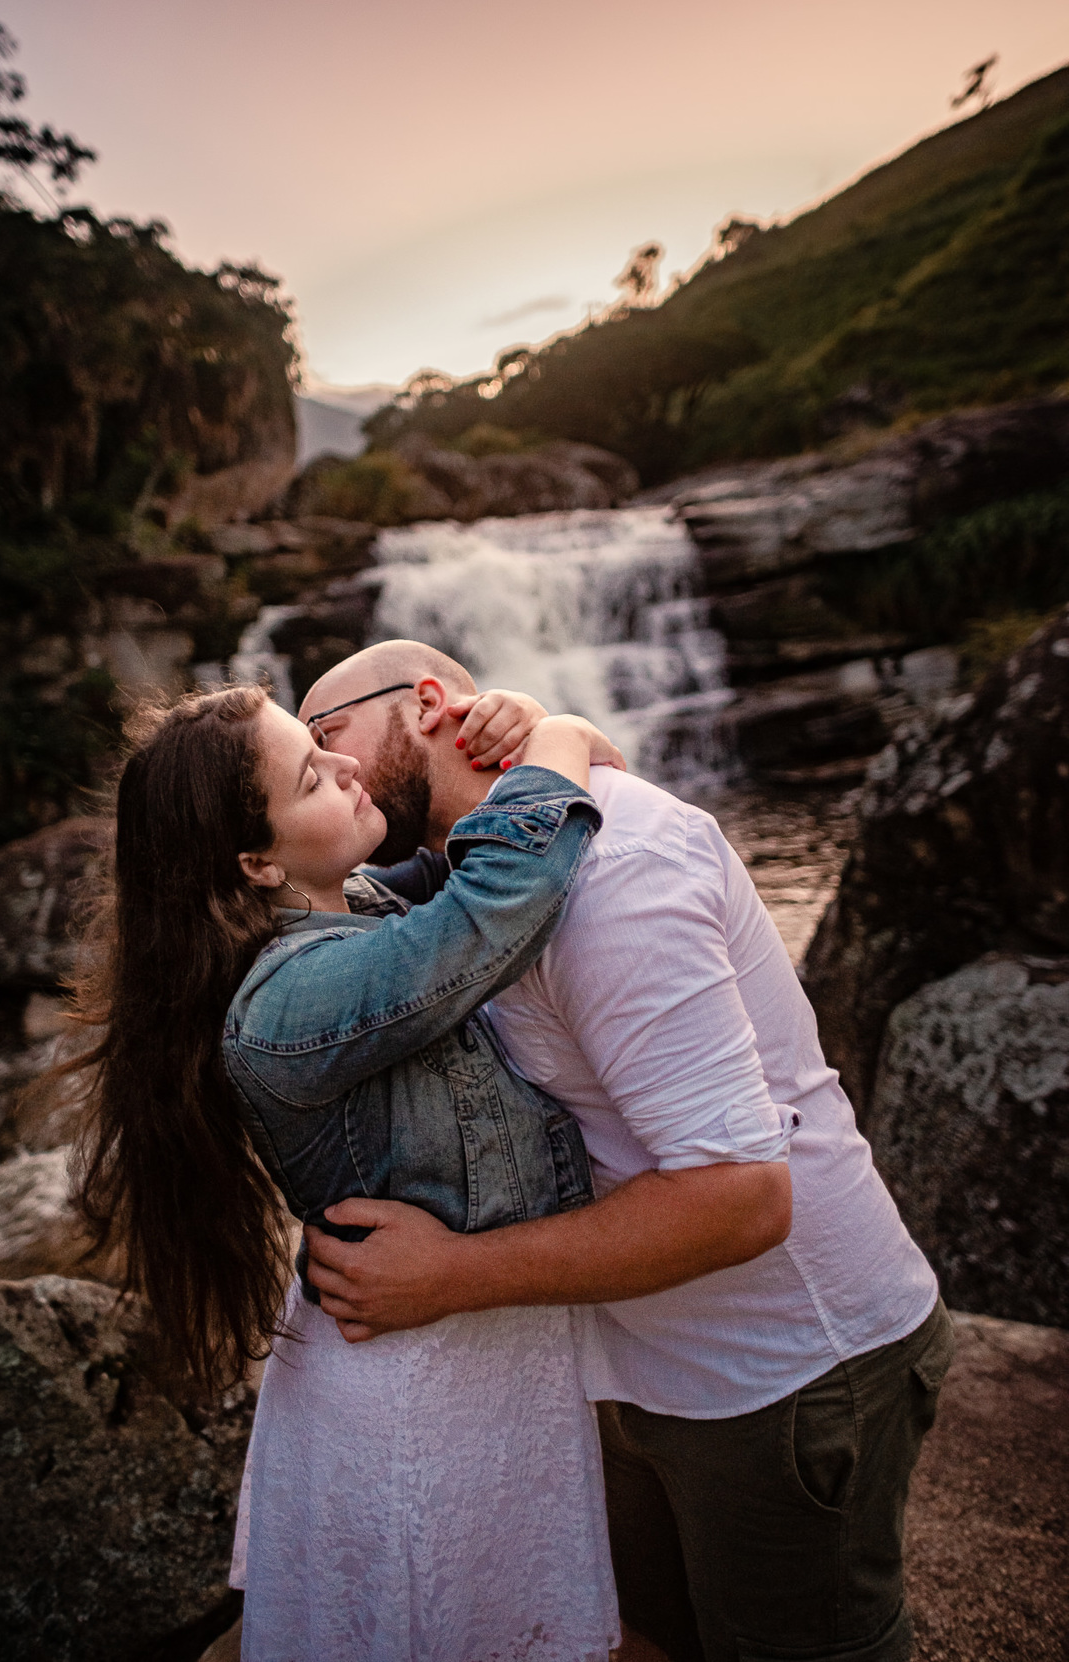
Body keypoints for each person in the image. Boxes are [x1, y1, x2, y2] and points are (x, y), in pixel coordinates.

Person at [299, 640, 957, 1662]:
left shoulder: (615, 878)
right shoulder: (469, 884)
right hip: (646, 1356)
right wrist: (560, 730)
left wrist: (449, 1278)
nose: (327, 772)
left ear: (430, 703)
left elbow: (742, 1197)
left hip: (787, 1363)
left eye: (326, 737)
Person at [71, 682, 657, 1662]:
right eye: (311, 773)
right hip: (417, 1385)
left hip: (473, 1340)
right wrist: (560, 735)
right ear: (258, 861)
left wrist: (520, 725)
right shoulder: (287, 1000)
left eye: (321, 744)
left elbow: (472, 854)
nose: (346, 765)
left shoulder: (359, 900)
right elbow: (495, 905)